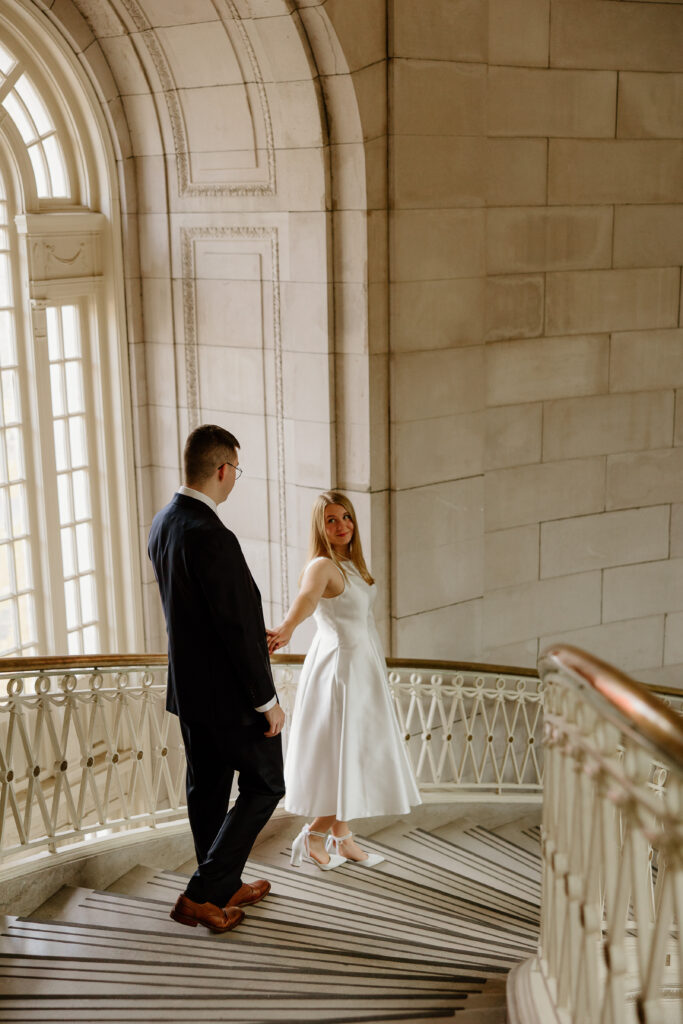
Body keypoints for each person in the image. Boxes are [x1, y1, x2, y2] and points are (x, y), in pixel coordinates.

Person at [148, 424, 285, 933]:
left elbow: (202, 615)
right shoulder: (211, 534)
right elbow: (233, 627)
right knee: (268, 783)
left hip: (190, 692)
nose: (234, 481)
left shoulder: (165, 522)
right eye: (236, 472)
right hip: (229, 699)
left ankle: (223, 883)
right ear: (223, 469)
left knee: (207, 790)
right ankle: (201, 894)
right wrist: (266, 700)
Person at [267, 491, 421, 870]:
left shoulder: (352, 564)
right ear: (320, 527)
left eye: (346, 517)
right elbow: (306, 598)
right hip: (340, 671)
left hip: (362, 665)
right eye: (332, 520)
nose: (342, 526)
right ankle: (316, 835)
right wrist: (287, 627)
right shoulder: (322, 565)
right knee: (347, 752)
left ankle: (342, 835)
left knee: (356, 751)